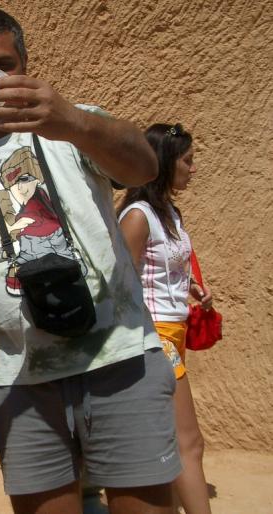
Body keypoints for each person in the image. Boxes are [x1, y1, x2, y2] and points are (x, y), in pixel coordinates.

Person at [0, 7, 179, 514]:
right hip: (23, 382)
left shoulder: (73, 123)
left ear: (24, 63)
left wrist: (74, 122)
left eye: (3, 63)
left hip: (122, 361)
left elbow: (144, 164)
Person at [118, 123, 212, 514]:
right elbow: (120, 284)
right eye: (187, 161)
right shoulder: (137, 216)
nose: (193, 169)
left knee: (172, 440)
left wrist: (191, 288)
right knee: (188, 441)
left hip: (174, 334)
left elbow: (160, 269)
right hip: (154, 338)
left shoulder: (169, 212)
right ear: (167, 163)